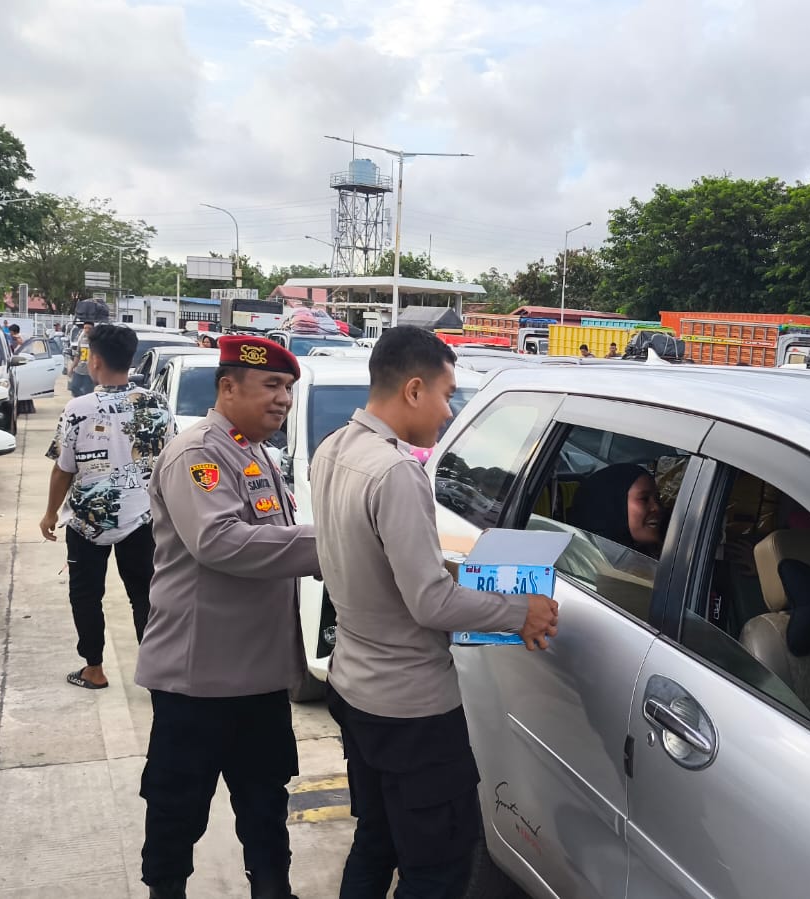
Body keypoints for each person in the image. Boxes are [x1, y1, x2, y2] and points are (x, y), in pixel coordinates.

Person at [310, 326, 560, 898]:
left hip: (355, 689)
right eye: (447, 395)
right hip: (412, 715)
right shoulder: (397, 471)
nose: (449, 412)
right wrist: (519, 611)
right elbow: (430, 603)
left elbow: (366, 556)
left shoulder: (335, 449)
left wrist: (443, 564)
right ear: (414, 389)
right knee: (437, 869)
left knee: (376, 841)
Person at [136, 334, 319, 899]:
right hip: (200, 679)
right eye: (271, 385)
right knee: (178, 805)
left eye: (287, 388)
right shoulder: (199, 453)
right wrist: (331, 545)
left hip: (258, 675)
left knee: (266, 802)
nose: (283, 398)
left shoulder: (253, 450)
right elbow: (219, 541)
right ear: (228, 387)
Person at [42, 324, 176, 691]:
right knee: (146, 595)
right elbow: (171, 460)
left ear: (96, 361)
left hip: (88, 521)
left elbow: (63, 469)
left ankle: (94, 669)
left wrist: (50, 513)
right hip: (143, 518)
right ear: (130, 360)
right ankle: (156, 675)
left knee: (87, 594)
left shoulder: (78, 408)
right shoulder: (157, 403)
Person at [568, 463, 664, 556]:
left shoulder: (646, 558)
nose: (657, 508)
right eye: (644, 499)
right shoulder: (593, 563)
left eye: (657, 498)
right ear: (612, 506)